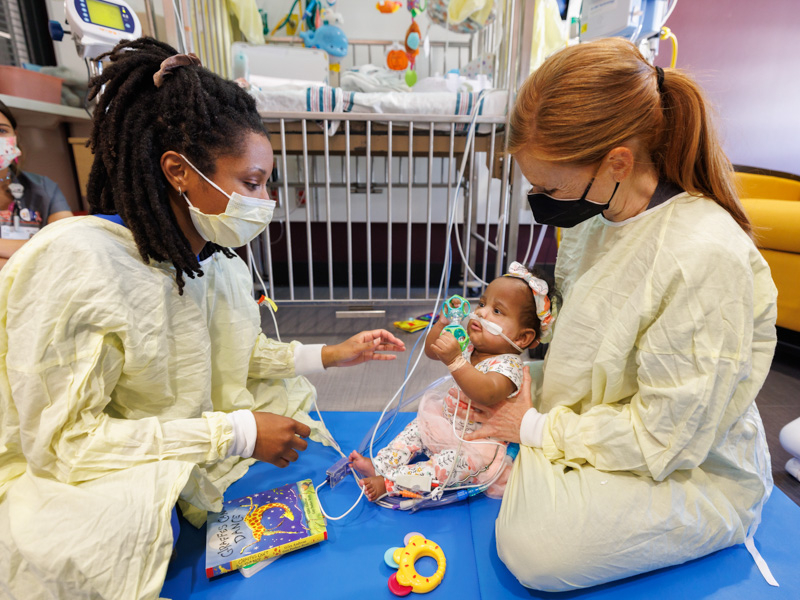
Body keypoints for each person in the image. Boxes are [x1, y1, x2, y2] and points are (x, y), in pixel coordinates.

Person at [0, 38, 405, 599]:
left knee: (282, 405)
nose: (266, 204)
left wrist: (336, 354)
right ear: (179, 171)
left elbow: (239, 352)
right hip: (74, 462)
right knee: (117, 536)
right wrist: (235, 432)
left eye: (268, 184)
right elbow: (65, 443)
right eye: (251, 184)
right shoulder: (77, 262)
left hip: (172, 429)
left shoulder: (213, 262)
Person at [463, 38, 779, 591]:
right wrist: (500, 358)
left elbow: (668, 437)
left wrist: (535, 426)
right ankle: (534, 457)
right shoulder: (592, 219)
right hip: (602, 412)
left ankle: (544, 465)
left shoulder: (703, 256)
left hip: (689, 460)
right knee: (458, 392)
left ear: (618, 161)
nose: (540, 199)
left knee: (537, 550)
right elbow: (589, 348)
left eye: (549, 186)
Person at [349, 263, 557, 502]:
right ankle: (382, 465)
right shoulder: (470, 343)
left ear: (523, 337)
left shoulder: (509, 366)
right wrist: (442, 323)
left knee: (444, 468)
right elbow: (431, 351)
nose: (481, 313)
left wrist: (457, 361)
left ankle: (391, 483)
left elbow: (486, 392)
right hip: (446, 421)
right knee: (413, 431)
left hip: (477, 446)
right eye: (482, 304)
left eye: (497, 311)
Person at [0, 99, 73, 269]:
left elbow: (68, 242)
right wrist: (35, 253)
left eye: (2, 130)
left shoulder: (44, 187)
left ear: (15, 136)